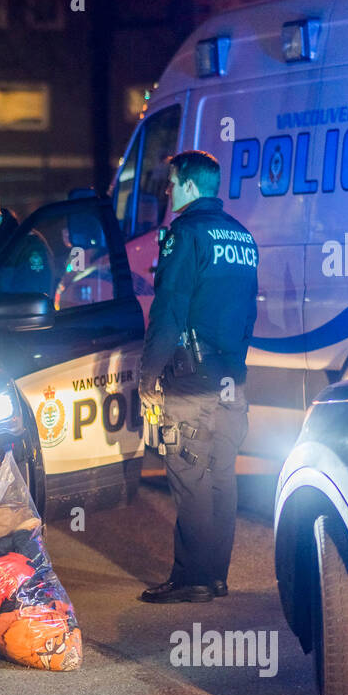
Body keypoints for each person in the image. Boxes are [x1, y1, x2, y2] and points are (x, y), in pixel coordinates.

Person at [137, 151, 258, 604]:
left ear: (188, 185)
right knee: (222, 476)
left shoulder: (184, 234)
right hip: (232, 378)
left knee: (190, 478)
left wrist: (149, 376)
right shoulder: (243, 238)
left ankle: (192, 579)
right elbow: (249, 313)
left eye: (171, 183)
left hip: (190, 380)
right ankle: (216, 577)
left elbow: (168, 310)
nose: (168, 191)